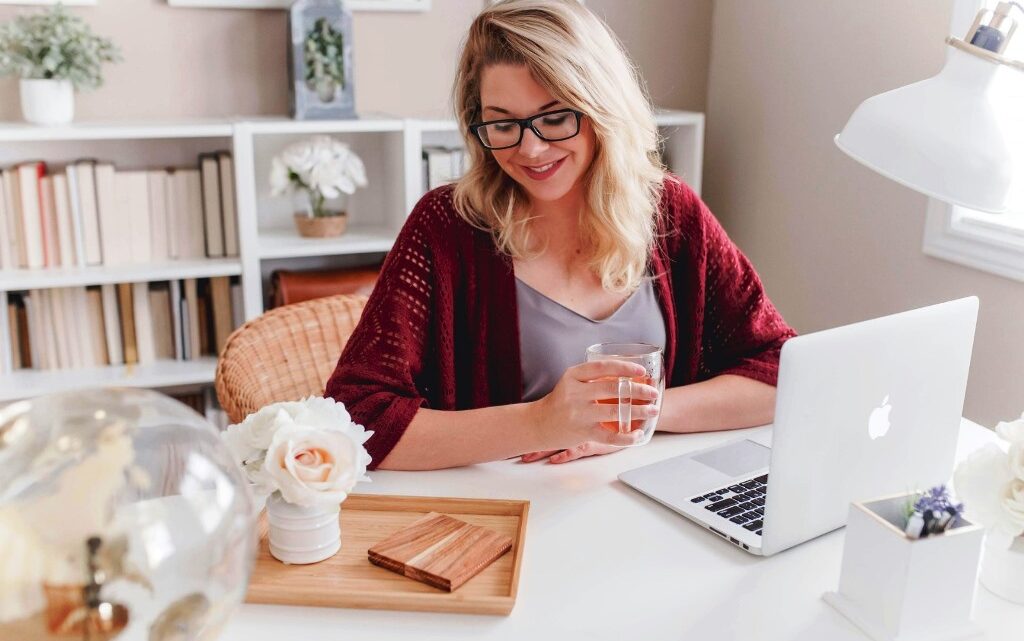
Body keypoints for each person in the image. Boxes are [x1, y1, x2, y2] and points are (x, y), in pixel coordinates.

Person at [325, 0, 795, 470]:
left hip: (647, 503)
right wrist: (541, 421)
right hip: (506, 515)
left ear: (602, 107)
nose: (530, 149)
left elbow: (781, 371)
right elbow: (355, 418)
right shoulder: (447, 226)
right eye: (503, 123)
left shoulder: (672, 213)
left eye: (554, 118)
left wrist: (632, 417)